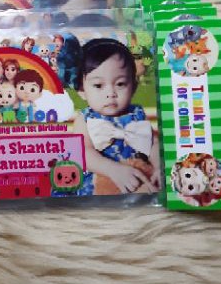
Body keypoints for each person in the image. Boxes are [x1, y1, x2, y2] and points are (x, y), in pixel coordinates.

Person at [69, 38, 160, 196]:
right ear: (82, 90)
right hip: (100, 179)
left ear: (133, 87)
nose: (111, 93)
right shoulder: (85, 118)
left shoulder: (137, 114)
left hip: (137, 176)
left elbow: (153, 143)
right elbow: (82, 153)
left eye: (120, 84)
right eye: (98, 85)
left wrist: (159, 167)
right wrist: (113, 170)